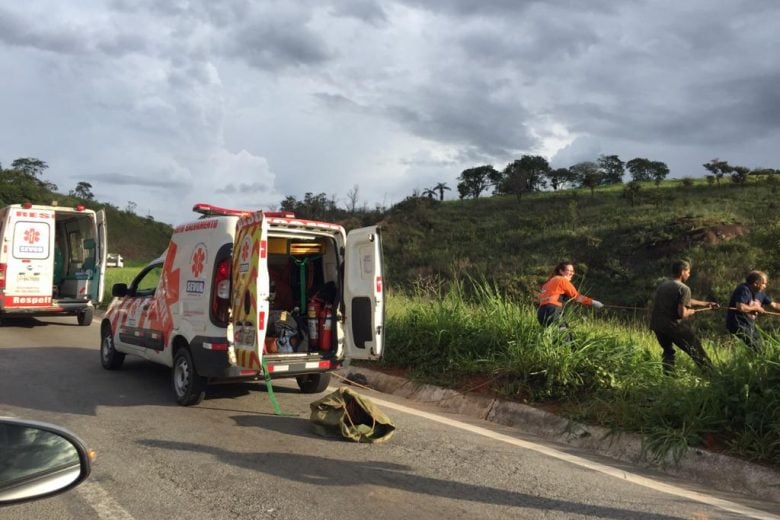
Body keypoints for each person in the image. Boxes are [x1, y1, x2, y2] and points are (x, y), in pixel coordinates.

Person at [649, 260, 718, 374]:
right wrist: (690, 312)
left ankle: (668, 375)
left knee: (668, 351)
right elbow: (682, 313)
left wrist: (706, 304)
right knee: (695, 347)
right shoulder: (684, 288)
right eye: (688, 272)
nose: (689, 275)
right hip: (673, 326)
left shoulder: (663, 285)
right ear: (682, 272)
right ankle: (712, 374)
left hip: (657, 325)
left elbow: (684, 300)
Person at [725, 271, 780, 351]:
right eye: (764, 283)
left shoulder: (761, 294)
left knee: (763, 346)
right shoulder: (744, 289)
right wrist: (756, 308)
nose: (765, 286)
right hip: (738, 323)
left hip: (749, 325)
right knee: (758, 347)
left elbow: (774, 305)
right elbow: (740, 306)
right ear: (756, 283)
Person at [537, 261, 603, 328]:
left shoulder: (547, 283)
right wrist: (593, 302)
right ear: (561, 271)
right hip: (552, 311)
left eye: (573, 271)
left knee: (553, 335)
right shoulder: (562, 280)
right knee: (565, 336)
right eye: (569, 271)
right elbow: (577, 297)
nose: (572, 273)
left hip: (541, 312)